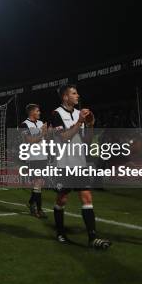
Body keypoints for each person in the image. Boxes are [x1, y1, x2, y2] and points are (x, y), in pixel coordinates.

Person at [50, 84, 111, 250]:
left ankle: (92, 237)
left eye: (77, 93)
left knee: (87, 197)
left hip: (80, 163)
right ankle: (61, 232)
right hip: (64, 164)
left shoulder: (79, 114)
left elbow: (87, 141)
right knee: (62, 199)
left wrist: (90, 125)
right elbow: (63, 137)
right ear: (65, 97)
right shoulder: (56, 114)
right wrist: (79, 122)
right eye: (74, 93)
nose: (78, 95)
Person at [19, 104, 48, 218]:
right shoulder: (24, 124)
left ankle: (32, 203)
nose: (39, 112)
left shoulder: (40, 123)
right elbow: (30, 141)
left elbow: (44, 138)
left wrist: (49, 132)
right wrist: (42, 133)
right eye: (37, 110)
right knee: (37, 182)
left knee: (40, 184)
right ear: (31, 112)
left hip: (43, 157)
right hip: (33, 157)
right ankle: (38, 209)